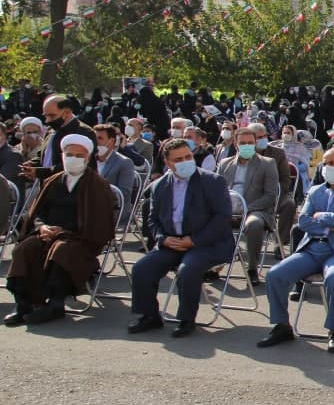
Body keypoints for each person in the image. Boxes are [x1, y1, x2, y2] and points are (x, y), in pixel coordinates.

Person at [259, 147, 334, 354]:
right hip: (313, 248)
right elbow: (303, 221)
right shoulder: (316, 190)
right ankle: (282, 326)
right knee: (275, 275)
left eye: (333, 163)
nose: (327, 168)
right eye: (325, 163)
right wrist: (333, 222)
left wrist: (321, 217)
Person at [128, 139, 235, 338]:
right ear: (168, 163)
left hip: (206, 244)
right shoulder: (159, 185)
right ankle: (149, 316)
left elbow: (222, 219)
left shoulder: (212, 181)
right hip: (172, 243)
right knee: (142, 268)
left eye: (188, 156)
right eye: (179, 159)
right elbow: (152, 219)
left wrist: (193, 241)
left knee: (189, 269)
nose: (185, 161)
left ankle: (186, 319)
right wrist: (162, 239)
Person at [3, 135, 114, 326]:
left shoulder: (98, 185)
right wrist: (42, 227)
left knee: (62, 250)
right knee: (24, 248)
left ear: (88, 158)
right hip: (47, 233)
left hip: (80, 239)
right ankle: (23, 303)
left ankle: (56, 303)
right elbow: (37, 212)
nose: (73, 158)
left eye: (79, 155)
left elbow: (100, 224)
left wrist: (63, 232)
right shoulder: (53, 181)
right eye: (69, 154)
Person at [215, 127, 281, 287]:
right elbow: (217, 191)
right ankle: (215, 265)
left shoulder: (267, 164)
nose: (247, 146)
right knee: (207, 219)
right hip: (229, 210)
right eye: (243, 143)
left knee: (253, 224)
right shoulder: (225, 164)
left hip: (256, 210)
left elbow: (270, 195)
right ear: (236, 145)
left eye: (250, 143)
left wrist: (247, 208)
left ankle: (252, 268)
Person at [92, 123, 137, 224]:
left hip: (113, 210)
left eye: (100, 138)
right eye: (94, 138)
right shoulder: (88, 160)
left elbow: (123, 193)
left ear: (111, 141)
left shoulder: (124, 162)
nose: (95, 142)